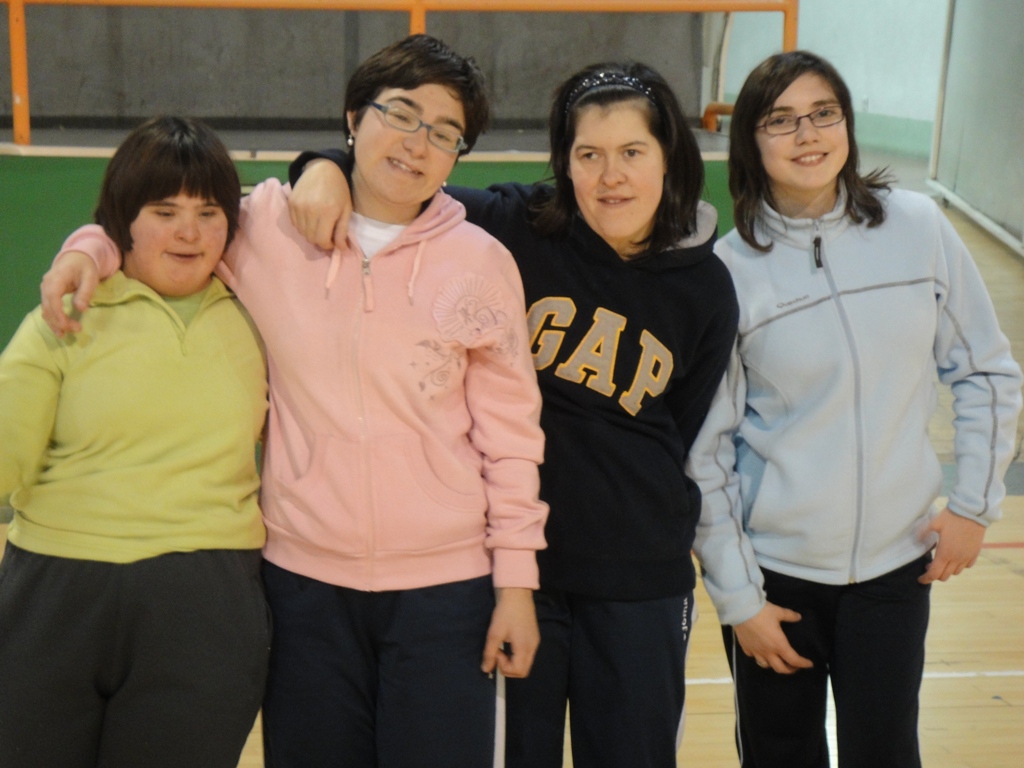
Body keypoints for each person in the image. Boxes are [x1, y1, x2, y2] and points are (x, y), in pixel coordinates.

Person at [39, 35, 548, 768]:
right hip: (302, 585)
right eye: (401, 114)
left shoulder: (482, 262)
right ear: (352, 117)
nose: (417, 144)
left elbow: (511, 439)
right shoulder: (268, 228)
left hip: (448, 588)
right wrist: (83, 251)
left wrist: (516, 585)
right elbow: (159, 230)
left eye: (444, 133)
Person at [286, 61, 739, 768]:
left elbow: (682, 425)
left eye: (632, 153)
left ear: (669, 156)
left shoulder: (706, 287)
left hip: (639, 580)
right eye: (588, 155)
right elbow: (401, 182)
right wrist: (321, 164)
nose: (610, 176)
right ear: (563, 164)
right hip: (517, 578)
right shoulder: (513, 227)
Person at [686, 50, 1023, 768]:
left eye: (823, 113)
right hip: (776, 578)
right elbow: (705, 451)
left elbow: (986, 372)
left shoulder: (918, 227)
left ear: (846, 124)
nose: (807, 135)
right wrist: (738, 597)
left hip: (896, 571)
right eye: (781, 121)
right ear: (749, 139)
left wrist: (973, 505)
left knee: (886, 751)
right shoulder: (727, 272)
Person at [0, 116, 269, 768]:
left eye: (209, 213)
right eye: (164, 210)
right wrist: (85, 251)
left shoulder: (261, 314)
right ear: (125, 221)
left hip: (207, 598)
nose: (189, 231)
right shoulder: (65, 314)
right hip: (56, 592)